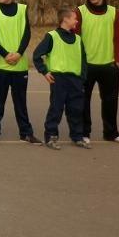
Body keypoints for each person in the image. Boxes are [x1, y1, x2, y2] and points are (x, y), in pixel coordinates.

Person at [0, 0, 41, 145]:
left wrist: (19, 53)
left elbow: (27, 33)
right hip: (0, 65)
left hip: (19, 65)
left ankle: (26, 133)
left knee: (21, 102)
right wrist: (4, 54)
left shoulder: (22, 9)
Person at [74, 0, 119, 144]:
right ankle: (84, 133)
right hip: (86, 65)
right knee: (83, 101)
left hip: (108, 65)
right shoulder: (80, 12)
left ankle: (111, 133)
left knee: (110, 101)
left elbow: (118, 38)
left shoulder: (114, 12)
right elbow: (74, 38)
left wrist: (117, 59)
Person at [33, 8, 89, 150]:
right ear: (65, 19)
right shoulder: (52, 36)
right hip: (59, 79)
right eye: (74, 18)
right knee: (56, 109)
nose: (77, 21)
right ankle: (51, 136)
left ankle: (77, 136)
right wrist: (45, 72)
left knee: (76, 109)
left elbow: (83, 60)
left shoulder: (78, 39)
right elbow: (37, 55)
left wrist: (82, 78)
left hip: (75, 80)